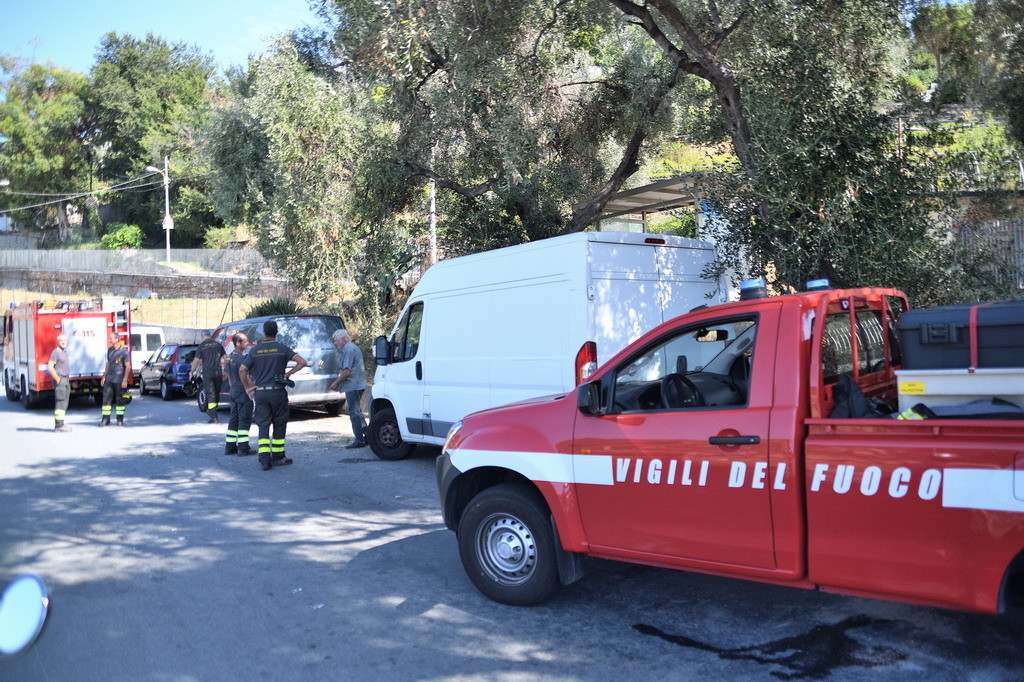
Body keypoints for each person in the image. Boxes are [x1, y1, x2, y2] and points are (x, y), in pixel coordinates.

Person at [238, 321, 308, 471]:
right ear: (276, 332)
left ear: (264, 333)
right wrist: (287, 374)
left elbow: (242, 370)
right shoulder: (282, 348)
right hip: (277, 392)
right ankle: (277, 457)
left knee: (263, 425)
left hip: (261, 393)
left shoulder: (255, 351)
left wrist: (248, 388)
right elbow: (302, 362)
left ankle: (264, 459)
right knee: (279, 424)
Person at [329, 329, 367, 449]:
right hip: (357, 384)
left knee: (354, 413)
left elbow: (346, 372)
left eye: (336, 340)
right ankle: (368, 436)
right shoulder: (352, 348)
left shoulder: (348, 350)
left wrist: (336, 383)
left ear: (343, 339)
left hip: (353, 385)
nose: (335, 343)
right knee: (357, 412)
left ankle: (359, 440)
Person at [224, 332, 254, 455]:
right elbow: (246, 376)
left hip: (233, 390)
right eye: (245, 341)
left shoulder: (230, 357)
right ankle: (243, 448)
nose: (247, 343)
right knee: (244, 419)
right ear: (238, 343)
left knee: (234, 419)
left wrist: (233, 388)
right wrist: (251, 389)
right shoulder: (241, 359)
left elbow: (227, 375)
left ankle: (230, 446)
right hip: (242, 391)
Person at [191, 330, 226, 423]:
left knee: (210, 394)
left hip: (208, 373)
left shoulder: (202, 346)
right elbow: (226, 359)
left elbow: (196, 361)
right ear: (210, 335)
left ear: (202, 336)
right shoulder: (218, 345)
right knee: (216, 392)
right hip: (218, 372)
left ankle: (213, 417)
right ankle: (213, 410)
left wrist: (191, 371)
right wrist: (226, 371)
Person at [99, 331, 130, 427]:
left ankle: (119, 420)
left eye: (111, 338)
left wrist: (125, 379)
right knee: (106, 400)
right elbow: (108, 364)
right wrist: (104, 377)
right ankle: (105, 420)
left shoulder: (124, 351)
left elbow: (128, 366)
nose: (109, 340)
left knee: (120, 401)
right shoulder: (110, 350)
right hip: (109, 380)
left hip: (120, 380)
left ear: (117, 339)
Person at [47, 334, 72, 432]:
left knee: (65, 403)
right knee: (60, 402)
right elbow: (50, 367)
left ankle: (61, 423)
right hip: (60, 379)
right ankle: (58, 426)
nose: (63, 342)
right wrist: (58, 379)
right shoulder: (56, 352)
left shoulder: (64, 352)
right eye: (61, 340)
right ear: (57, 342)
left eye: (65, 340)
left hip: (65, 380)